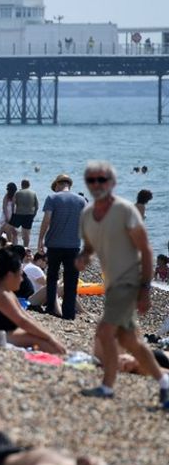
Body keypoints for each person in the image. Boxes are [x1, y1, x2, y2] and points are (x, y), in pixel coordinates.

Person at [76, 161, 168, 407]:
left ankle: (107, 386)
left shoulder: (126, 210)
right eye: (92, 180)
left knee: (104, 331)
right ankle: (164, 382)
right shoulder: (88, 214)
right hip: (112, 283)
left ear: (112, 184)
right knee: (130, 341)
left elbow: (146, 250)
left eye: (102, 180)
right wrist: (84, 257)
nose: (97, 185)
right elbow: (91, 245)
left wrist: (146, 289)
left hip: (130, 280)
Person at [0, 246, 66, 354]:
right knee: (36, 339)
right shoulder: (0, 294)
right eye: (20, 275)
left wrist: (48, 336)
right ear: (10, 275)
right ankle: (64, 358)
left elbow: (25, 316)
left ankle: (63, 355)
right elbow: (22, 321)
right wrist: (50, 338)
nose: (22, 279)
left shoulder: (5, 291)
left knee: (39, 337)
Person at [37, 173, 85, 320]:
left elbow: (46, 220)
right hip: (73, 245)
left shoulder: (53, 198)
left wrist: (40, 239)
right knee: (71, 279)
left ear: (58, 185)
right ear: (69, 185)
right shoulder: (81, 200)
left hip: (54, 244)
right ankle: (69, 313)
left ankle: (51, 307)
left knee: (52, 276)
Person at [10, 179, 39, 247]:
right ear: (29, 185)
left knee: (13, 231)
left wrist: (13, 215)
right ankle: (26, 248)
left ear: (21, 185)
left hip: (18, 214)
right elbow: (37, 206)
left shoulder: (17, 193)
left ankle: (14, 246)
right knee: (27, 233)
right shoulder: (33, 193)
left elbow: (13, 204)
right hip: (29, 215)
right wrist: (34, 215)